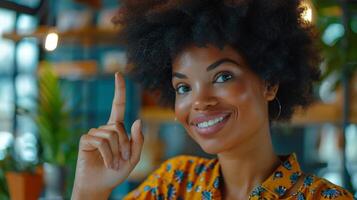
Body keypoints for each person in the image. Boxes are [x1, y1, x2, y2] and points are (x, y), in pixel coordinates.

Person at [71, 0, 354, 199]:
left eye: (222, 77)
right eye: (183, 87)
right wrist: (89, 192)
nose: (200, 101)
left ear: (269, 83)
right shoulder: (173, 185)